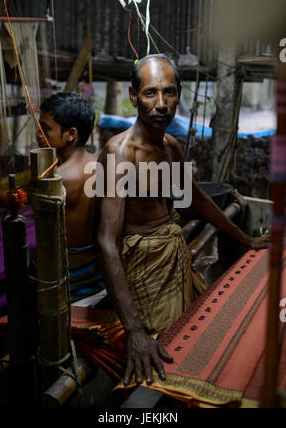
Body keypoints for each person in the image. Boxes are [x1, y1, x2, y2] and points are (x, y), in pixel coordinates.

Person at [97, 54, 270, 387]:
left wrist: (245, 239)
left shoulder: (170, 147)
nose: (161, 104)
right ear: (134, 96)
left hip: (173, 260)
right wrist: (134, 331)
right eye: (150, 93)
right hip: (143, 272)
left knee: (192, 346)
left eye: (170, 92)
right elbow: (106, 240)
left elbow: (196, 200)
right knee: (164, 366)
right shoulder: (119, 153)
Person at [0, 92, 105, 305]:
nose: (38, 134)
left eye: (46, 128)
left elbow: (14, 201)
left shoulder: (59, 178)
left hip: (71, 282)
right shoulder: (97, 163)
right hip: (96, 273)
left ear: (70, 134)